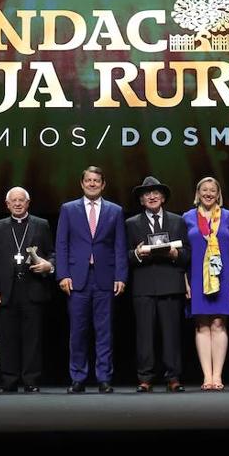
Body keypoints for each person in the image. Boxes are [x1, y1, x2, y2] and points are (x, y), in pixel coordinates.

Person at [56, 166, 127, 393]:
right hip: (77, 278)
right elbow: (62, 244)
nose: (92, 184)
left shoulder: (115, 211)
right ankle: (78, 377)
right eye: (88, 180)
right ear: (82, 183)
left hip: (105, 277)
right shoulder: (68, 209)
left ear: (103, 184)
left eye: (96, 180)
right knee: (78, 331)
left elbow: (120, 246)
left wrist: (121, 276)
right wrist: (63, 274)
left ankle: (104, 377)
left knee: (104, 330)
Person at [0, 187, 56, 392]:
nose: (17, 204)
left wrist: (49, 266)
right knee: (7, 338)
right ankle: (9, 380)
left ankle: (31, 381)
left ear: (28, 203)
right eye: (13, 201)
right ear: (7, 204)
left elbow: (52, 253)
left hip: (33, 288)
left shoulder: (41, 225)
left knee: (32, 339)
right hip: (7, 290)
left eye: (21, 200)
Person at [126, 176, 190, 393]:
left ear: (162, 197)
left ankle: (173, 377)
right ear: (142, 200)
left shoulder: (178, 221)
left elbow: (187, 255)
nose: (151, 196)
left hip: (171, 284)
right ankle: (145, 378)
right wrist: (137, 253)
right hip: (143, 285)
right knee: (144, 336)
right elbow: (124, 255)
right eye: (146, 194)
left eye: (155, 193)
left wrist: (174, 254)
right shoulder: (131, 223)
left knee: (171, 334)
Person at [183, 176, 229, 391]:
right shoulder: (187, 218)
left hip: (225, 278)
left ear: (218, 194)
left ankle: (217, 376)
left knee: (219, 324)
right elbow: (183, 255)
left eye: (212, 190)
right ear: (198, 194)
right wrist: (185, 283)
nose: (208, 193)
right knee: (201, 325)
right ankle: (206, 376)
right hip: (197, 279)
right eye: (204, 190)